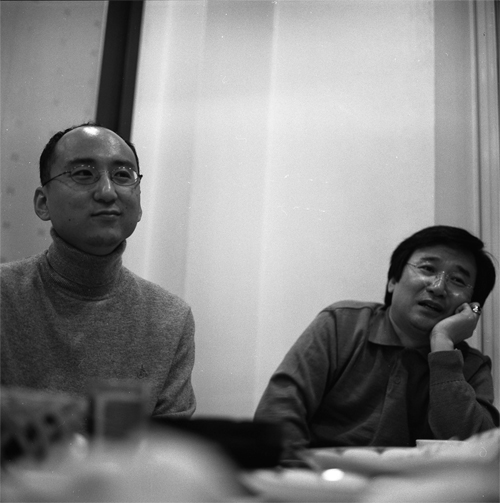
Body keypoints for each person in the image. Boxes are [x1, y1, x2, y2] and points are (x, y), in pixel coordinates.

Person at [1, 122, 196, 422]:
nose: (107, 191)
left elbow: (168, 444)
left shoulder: (169, 318)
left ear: (139, 205)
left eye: (123, 175)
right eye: (83, 173)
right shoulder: (5, 296)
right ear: (43, 203)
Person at [254, 225, 499, 460]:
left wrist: (443, 345)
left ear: (471, 307)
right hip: (321, 480)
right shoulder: (341, 325)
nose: (438, 288)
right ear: (393, 280)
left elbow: (479, 452)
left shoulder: (471, 366)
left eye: (458, 280)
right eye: (427, 268)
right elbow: (279, 414)